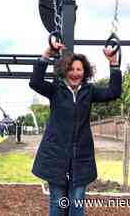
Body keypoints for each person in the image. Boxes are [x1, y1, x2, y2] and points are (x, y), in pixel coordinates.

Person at [29, 43, 122, 216]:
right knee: (57, 202)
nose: (75, 73)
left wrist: (113, 62)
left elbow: (114, 92)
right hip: (55, 155)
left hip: (81, 157)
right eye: (71, 69)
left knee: (77, 204)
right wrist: (48, 53)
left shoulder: (89, 91)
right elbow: (35, 82)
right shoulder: (56, 90)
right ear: (65, 71)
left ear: (84, 72)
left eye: (79, 69)